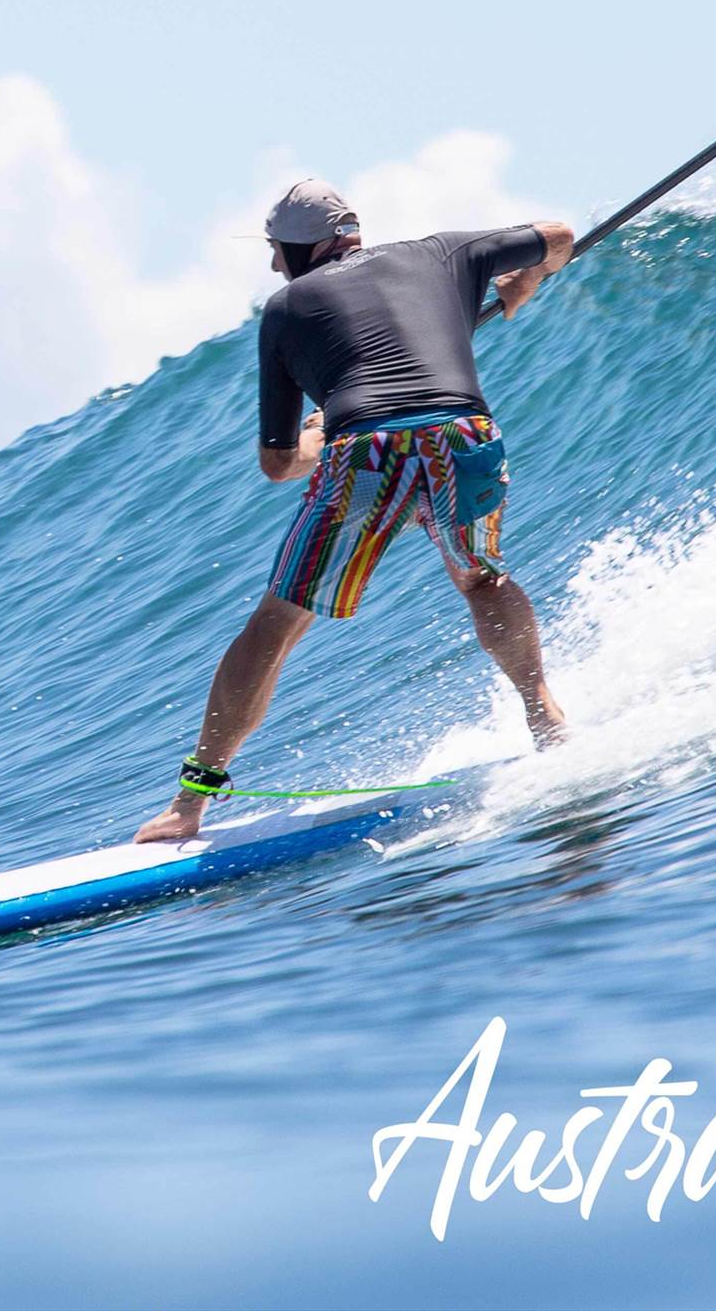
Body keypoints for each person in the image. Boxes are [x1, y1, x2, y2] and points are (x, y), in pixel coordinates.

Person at [134, 178, 575, 843]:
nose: (274, 264)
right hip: (462, 434)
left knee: (279, 620)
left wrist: (317, 436)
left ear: (302, 248)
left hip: (366, 453)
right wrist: (526, 280)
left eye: (277, 249)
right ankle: (545, 719)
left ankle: (190, 804)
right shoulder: (441, 252)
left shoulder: (287, 308)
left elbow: (279, 463)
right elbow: (559, 237)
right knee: (482, 579)